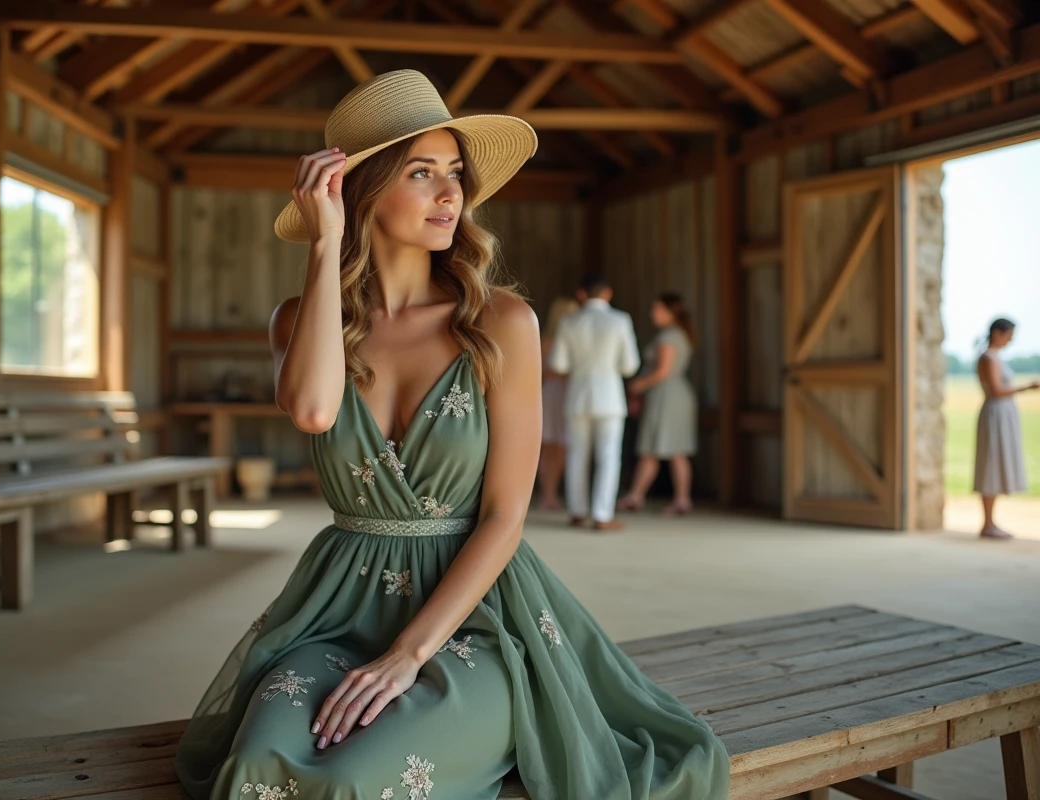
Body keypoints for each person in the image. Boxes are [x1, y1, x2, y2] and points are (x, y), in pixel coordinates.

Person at [174, 70, 728, 800]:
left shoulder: (502, 323)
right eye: (422, 172)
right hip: (334, 614)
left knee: (360, 781)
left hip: (476, 620)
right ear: (360, 190)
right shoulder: (301, 318)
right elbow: (311, 411)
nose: (450, 195)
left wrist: (408, 654)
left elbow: (505, 517)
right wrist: (322, 245)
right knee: (253, 774)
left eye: (455, 174)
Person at [547, 275, 641, 532]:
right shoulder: (620, 320)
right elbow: (630, 365)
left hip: (577, 394)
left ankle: (577, 511)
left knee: (577, 453)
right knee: (609, 456)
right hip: (609, 396)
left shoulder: (568, 322)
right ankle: (602, 513)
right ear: (608, 293)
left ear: (581, 294)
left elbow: (558, 364)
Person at [619, 293, 698, 516]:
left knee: (662, 449)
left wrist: (637, 386)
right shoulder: (677, 335)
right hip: (672, 395)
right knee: (666, 449)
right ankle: (643, 495)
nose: (653, 313)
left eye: (657, 309)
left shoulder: (669, 338)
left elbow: (662, 371)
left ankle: (671, 498)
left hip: (667, 396)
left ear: (669, 312)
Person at [974, 318, 1039, 540]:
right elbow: (996, 390)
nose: (1010, 340)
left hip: (1002, 414)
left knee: (996, 464)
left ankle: (990, 522)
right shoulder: (988, 358)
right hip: (996, 415)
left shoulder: (994, 357)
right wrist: (1027, 387)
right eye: (1009, 335)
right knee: (990, 465)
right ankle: (988, 523)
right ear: (998, 333)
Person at [536, 295, 581, 511]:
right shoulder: (548, 340)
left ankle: (555, 493)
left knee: (563, 447)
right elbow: (542, 370)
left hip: (571, 393)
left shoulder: (576, 339)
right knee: (549, 446)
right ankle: (548, 494)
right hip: (553, 393)